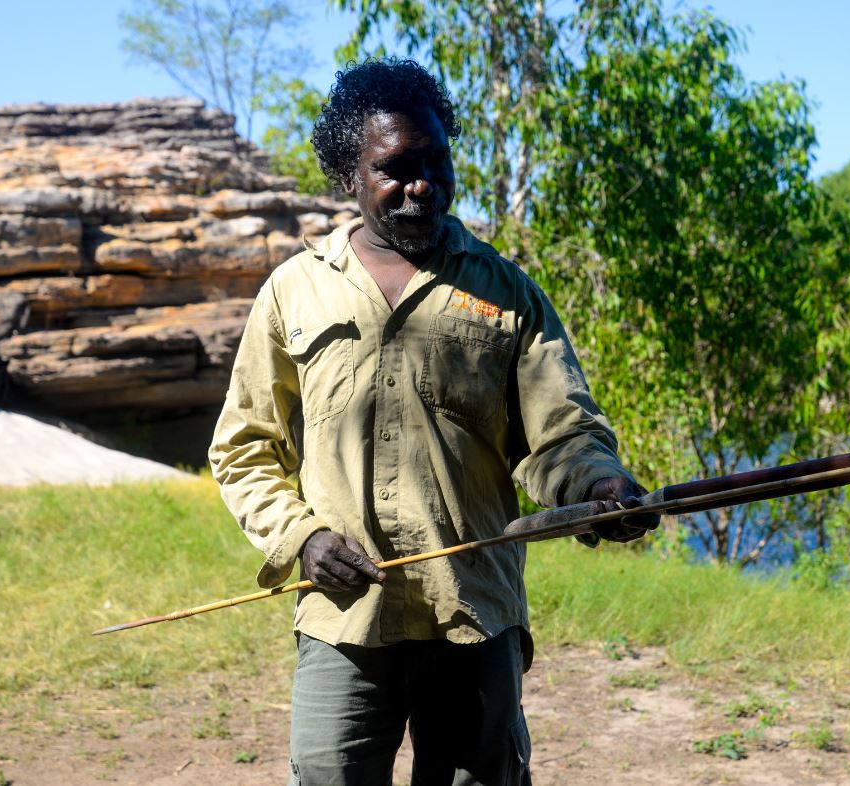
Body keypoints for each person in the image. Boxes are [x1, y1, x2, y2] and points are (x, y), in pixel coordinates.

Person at [208, 57, 657, 786]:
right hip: (345, 619)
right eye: (394, 168)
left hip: (474, 613)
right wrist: (303, 538)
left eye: (435, 162)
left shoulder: (507, 292)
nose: (421, 186)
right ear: (348, 176)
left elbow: (561, 436)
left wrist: (598, 488)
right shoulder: (294, 292)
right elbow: (244, 450)